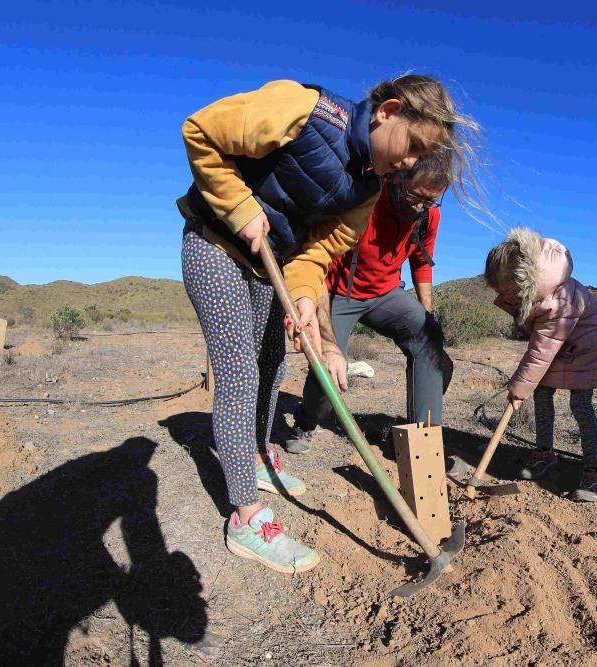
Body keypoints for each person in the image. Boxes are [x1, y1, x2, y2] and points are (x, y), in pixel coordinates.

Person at [179, 74, 478, 573]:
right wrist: (238, 204)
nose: (409, 164)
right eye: (412, 147)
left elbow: (317, 252)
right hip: (215, 244)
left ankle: (255, 457)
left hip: (267, 265)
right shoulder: (304, 110)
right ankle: (247, 518)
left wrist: (299, 297)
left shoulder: (367, 187)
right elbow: (202, 131)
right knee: (240, 373)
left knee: (273, 365)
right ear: (388, 111)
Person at [286, 152, 455, 453]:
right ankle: (307, 421)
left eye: (431, 200)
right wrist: (323, 330)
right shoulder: (364, 196)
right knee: (327, 361)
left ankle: (423, 446)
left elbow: (421, 261)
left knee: (429, 339)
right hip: (337, 291)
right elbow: (319, 257)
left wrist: (428, 317)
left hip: (386, 292)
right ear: (397, 176)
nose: (421, 206)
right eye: (416, 196)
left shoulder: (428, 213)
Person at [484, 228, 597, 502]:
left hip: (585, 353)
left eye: (505, 289)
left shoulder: (561, 301)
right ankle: (544, 454)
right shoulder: (538, 293)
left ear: (522, 280)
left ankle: (594, 474)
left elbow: (542, 348)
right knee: (543, 397)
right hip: (560, 352)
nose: (502, 294)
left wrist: (518, 389)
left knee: (581, 406)